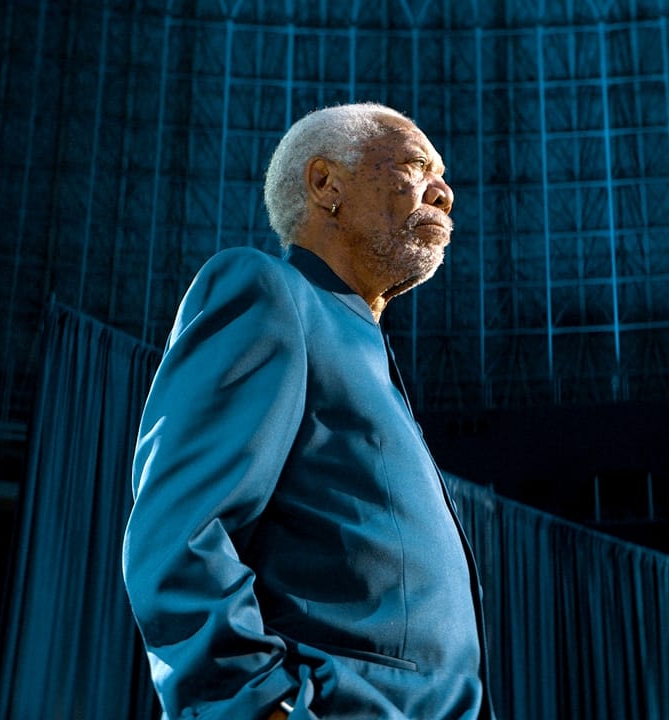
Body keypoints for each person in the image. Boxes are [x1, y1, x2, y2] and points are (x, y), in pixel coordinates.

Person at [123, 102, 493, 720]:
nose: (444, 192)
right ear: (326, 184)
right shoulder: (267, 290)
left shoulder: (369, 352)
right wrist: (260, 705)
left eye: (442, 176)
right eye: (416, 166)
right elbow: (179, 533)